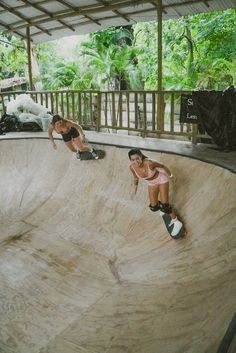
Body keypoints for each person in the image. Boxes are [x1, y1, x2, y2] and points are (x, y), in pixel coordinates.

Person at [128, 148, 182, 237]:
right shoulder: (132, 167)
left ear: (141, 156)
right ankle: (164, 210)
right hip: (151, 183)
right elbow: (135, 178)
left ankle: (176, 221)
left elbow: (163, 166)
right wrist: (134, 190)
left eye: (138, 158)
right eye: (133, 159)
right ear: (130, 160)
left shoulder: (150, 163)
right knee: (154, 206)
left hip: (161, 179)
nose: (136, 161)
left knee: (165, 205)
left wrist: (171, 176)